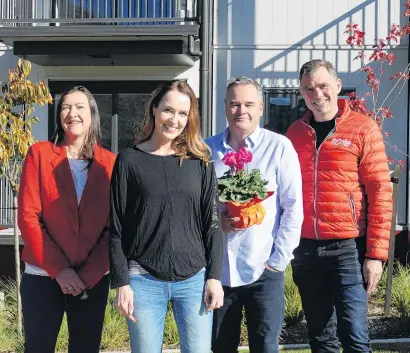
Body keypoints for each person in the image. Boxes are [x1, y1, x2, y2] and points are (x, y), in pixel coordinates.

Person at [109, 80, 224, 353]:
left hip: (194, 279)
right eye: (168, 110)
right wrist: (121, 282)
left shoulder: (200, 161)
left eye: (182, 113)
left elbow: (212, 224)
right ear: (154, 110)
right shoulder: (128, 161)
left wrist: (214, 277)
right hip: (143, 280)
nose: (174, 120)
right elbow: (115, 228)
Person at [286, 59, 393, 353]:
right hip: (305, 249)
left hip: (348, 248)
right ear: (301, 92)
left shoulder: (363, 129)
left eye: (322, 86)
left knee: (355, 337)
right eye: (309, 89)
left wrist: (375, 256)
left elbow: (381, 193)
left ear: (336, 86)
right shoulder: (294, 134)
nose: (316, 93)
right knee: (320, 339)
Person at [206, 76, 303, 353]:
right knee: (221, 347)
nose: (241, 110)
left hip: (264, 269)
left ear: (260, 108)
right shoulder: (206, 150)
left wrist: (277, 261)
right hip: (219, 271)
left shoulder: (279, 147)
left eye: (249, 104)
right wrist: (217, 221)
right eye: (234, 104)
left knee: (264, 346)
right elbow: (196, 206)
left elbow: (293, 206)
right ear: (225, 107)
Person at [18, 86, 116, 353]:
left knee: (86, 347)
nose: (72, 113)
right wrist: (59, 269)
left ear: (92, 114)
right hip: (43, 275)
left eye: (79, 107)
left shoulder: (111, 164)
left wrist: (89, 272)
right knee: (38, 347)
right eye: (65, 107)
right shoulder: (39, 155)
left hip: (91, 278)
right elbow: (29, 217)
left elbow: (114, 227)